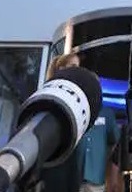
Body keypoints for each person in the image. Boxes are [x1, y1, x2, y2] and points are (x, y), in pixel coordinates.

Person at [39, 54, 88, 192]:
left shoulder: (76, 97)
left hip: (71, 161)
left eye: (78, 67)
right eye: (73, 66)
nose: (77, 70)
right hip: (52, 160)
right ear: (61, 68)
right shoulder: (48, 92)